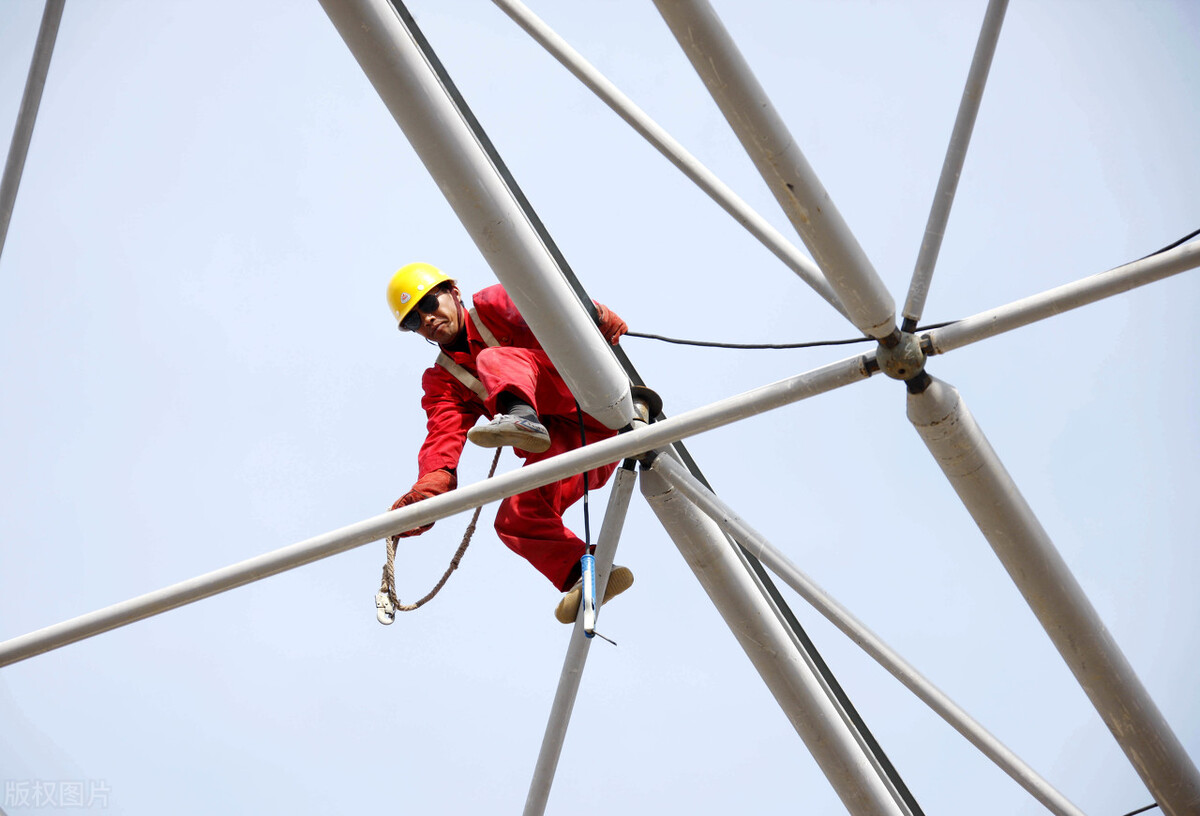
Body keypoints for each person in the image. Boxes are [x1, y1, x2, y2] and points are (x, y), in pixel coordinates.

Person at [386, 262, 634, 623]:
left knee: (494, 357)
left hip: (588, 399)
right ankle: (585, 575)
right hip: (577, 443)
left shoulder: (493, 304)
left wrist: (595, 315)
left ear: (453, 293)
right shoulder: (445, 380)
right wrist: (427, 496)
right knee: (514, 515)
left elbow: (556, 305)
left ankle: (521, 416)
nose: (426, 319)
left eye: (428, 303)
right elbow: (443, 436)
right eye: (413, 320)